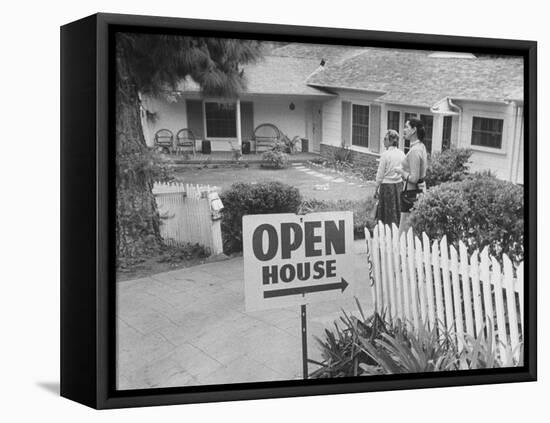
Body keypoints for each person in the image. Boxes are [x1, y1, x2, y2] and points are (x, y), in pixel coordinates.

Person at [396, 118, 428, 235]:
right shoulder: (421, 146)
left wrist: (400, 172)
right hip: (419, 191)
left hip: (411, 192)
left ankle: (400, 250)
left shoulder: (415, 150)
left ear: (414, 130)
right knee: (413, 227)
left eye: (406, 127)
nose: (404, 129)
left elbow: (414, 178)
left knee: (405, 227)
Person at [374, 130, 406, 226]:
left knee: (386, 212)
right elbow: (404, 169)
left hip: (387, 187)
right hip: (399, 186)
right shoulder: (402, 154)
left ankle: (387, 231)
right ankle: (396, 230)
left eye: (385, 139)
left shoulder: (385, 155)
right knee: (397, 210)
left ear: (391, 141)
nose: (383, 141)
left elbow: (380, 175)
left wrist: (376, 189)